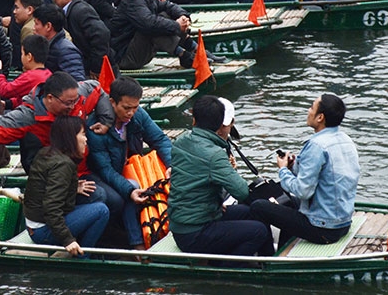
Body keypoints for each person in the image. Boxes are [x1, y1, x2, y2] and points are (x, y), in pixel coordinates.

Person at [0, 71, 114, 174]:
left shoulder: (76, 94)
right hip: (54, 177)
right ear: (49, 98)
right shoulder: (27, 116)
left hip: (85, 168)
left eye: (75, 101)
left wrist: (106, 120)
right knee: (104, 202)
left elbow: (97, 89)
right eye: (68, 103)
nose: (73, 106)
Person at [169, 95, 274, 258]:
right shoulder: (214, 154)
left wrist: (215, 204)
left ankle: (267, 259)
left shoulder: (180, 141)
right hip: (195, 233)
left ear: (194, 121)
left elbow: (193, 182)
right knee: (258, 230)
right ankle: (226, 268)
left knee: (252, 212)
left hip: (184, 224)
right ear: (221, 125)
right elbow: (242, 192)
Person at [251, 94, 360, 246]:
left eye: (311, 107)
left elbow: (303, 191)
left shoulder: (316, 145)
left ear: (320, 117)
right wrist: (293, 166)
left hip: (323, 229)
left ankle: (267, 258)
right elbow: (324, 177)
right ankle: (283, 246)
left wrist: (283, 171)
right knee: (286, 200)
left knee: (259, 206)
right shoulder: (346, 140)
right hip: (343, 223)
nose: (308, 111)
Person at [87, 77, 171, 249]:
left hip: (127, 168)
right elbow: (105, 170)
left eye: (135, 107)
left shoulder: (137, 114)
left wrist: (171, 166)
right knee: (125, 193)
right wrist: (129, 190)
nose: (131, 113)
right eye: (126, 108)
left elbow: (160, 139)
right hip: (99, 175)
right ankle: (137, 243)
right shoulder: (96, 128)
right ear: (112, 102)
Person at [24, 115, 110, 256]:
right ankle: (83, 257)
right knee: (101, 210)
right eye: (83, 134)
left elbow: (46, 186)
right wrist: (68, 240)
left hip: (34, 224)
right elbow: (51, 207)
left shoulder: (46, 152)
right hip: (42, 231)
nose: (86, 139)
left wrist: (73, 187)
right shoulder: (63, 164)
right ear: (70, 138)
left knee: (96, 198)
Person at [110, 0, 194, 69]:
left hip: (134, 51)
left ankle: (191, 48)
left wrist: (182, 15)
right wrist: (176, 25)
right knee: (151, 25)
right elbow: (148, 23)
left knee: (163, 16)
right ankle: (183, 53)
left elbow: (164, 5)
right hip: (125, 57)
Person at [49, 0, 112, 79]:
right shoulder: (72, 10)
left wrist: (96, 67)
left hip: (99, 74)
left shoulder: (81, 11)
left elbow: (101, 34)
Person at [33, 4, 86, 82]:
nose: (34, 27)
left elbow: (77, 83)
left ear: (48, 26)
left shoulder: (67, 50)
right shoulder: (45, 45)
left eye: (36, 24)